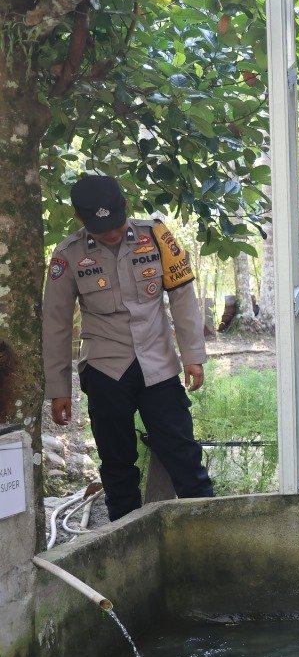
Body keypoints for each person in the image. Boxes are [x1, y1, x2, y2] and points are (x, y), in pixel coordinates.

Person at [43, 174, 215, 520]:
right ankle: (125, 538)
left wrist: (193, 356)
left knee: (183, 452)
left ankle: (209, 525)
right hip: (106, 370)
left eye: (118, 224)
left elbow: (182, 297)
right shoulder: (67, 255)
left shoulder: (157, 237)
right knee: (117, 462)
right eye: (103, 228)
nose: (114, 233)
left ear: (126, 208)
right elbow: (56, 324)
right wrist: (58, 389)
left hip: (159, 365)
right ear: (81, 219)